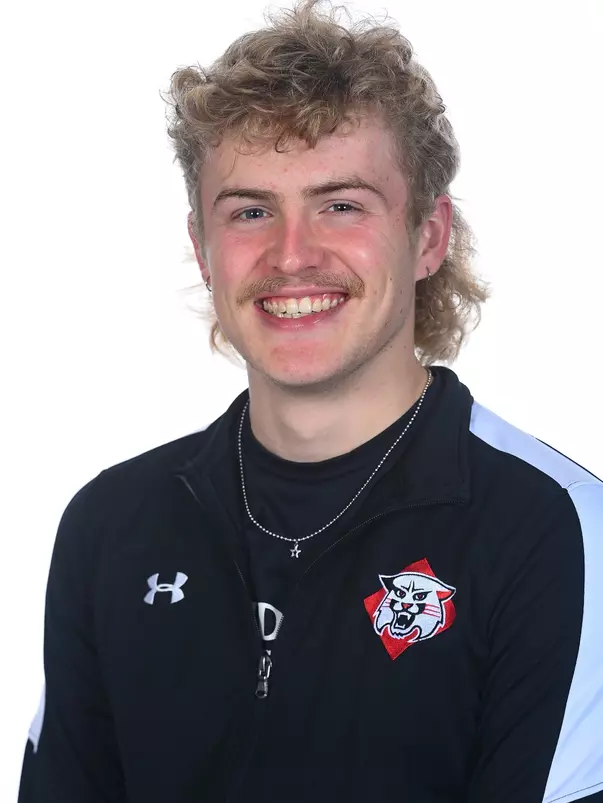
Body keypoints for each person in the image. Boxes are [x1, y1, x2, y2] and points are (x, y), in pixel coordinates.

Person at [18, 1, 603, 801]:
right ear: (202, 246)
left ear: (430, 238)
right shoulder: (111, 522)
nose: (292, 255)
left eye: (341, 204)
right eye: (251, 211)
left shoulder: (553, 528)